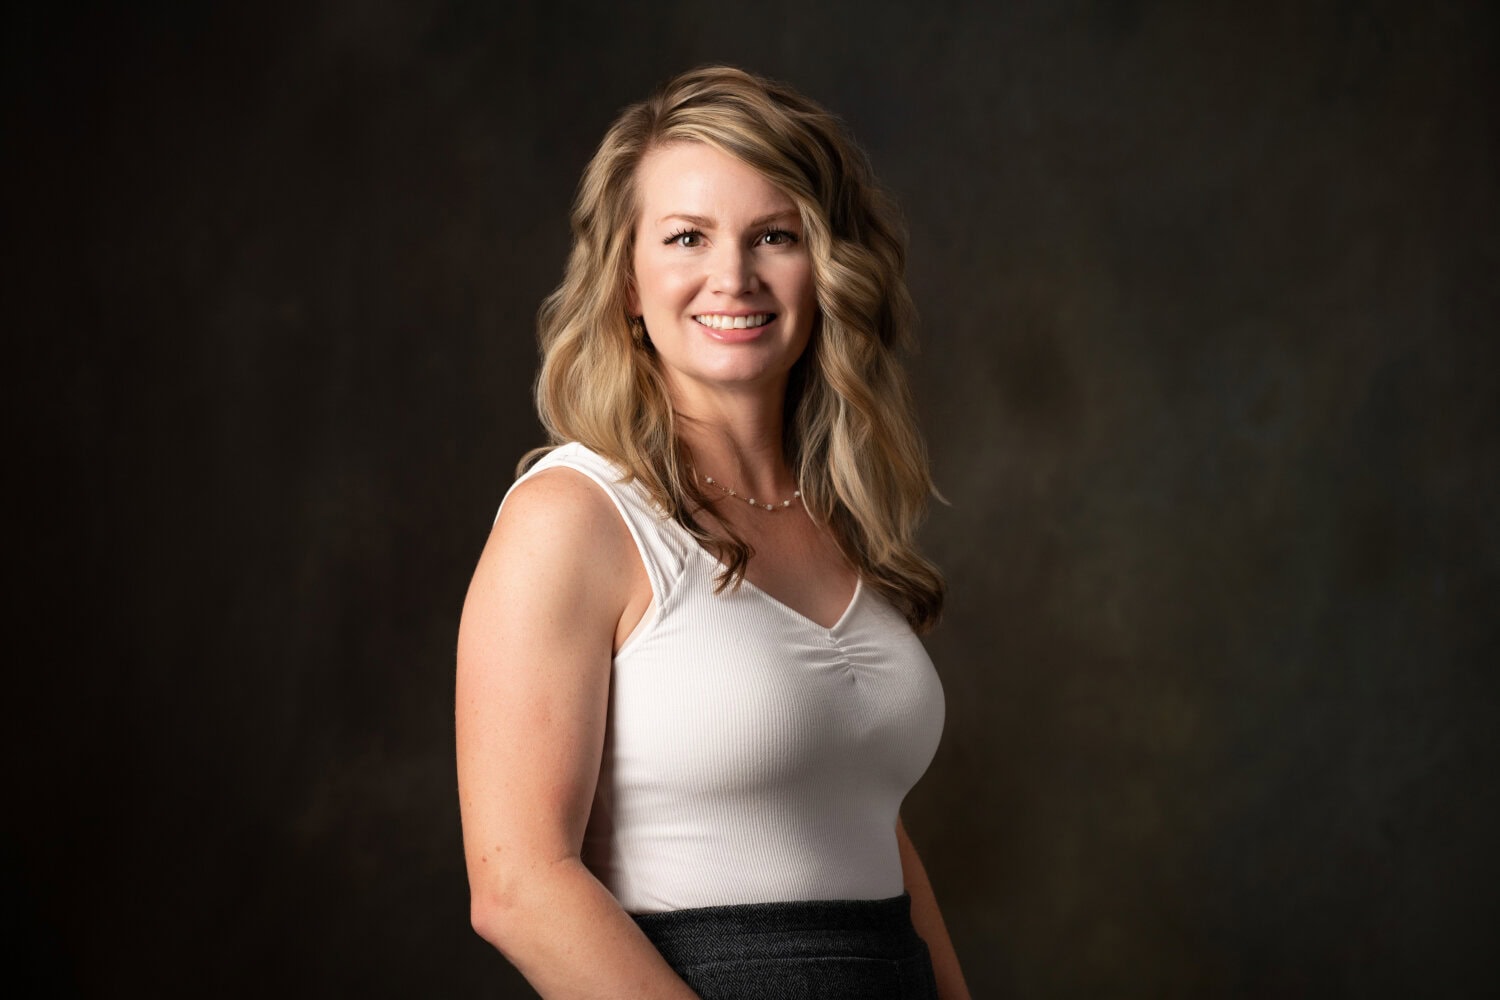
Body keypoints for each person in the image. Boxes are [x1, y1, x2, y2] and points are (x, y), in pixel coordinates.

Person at [456, 65, 970, 999]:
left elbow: (858, 818)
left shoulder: (837, 515)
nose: (732, 276)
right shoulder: (572, 517)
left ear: (825, 269)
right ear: (626, 279)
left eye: (774, 236)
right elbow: (518, 886)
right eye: (687, 236)